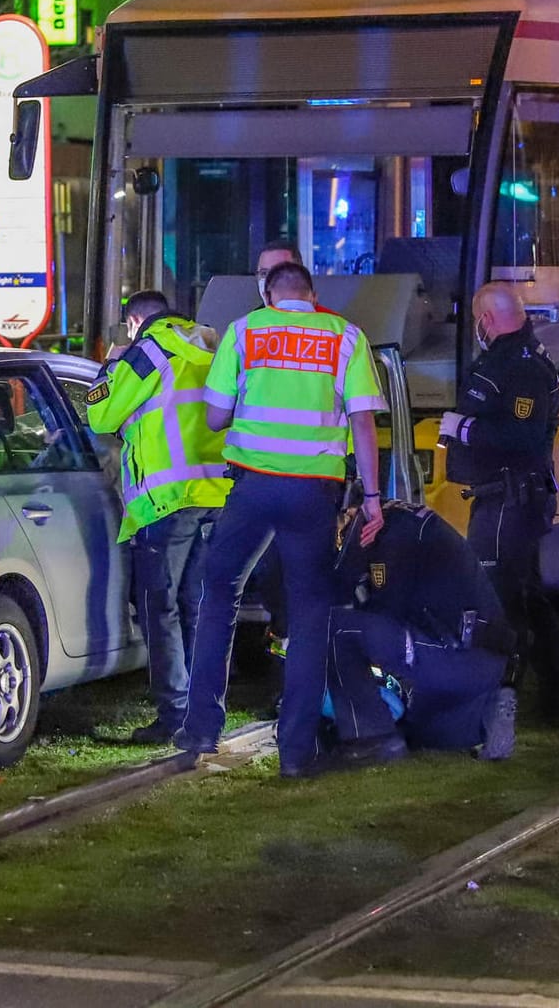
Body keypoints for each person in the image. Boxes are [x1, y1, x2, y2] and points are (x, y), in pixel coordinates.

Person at [176, 261, 387, 779]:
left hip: (253, 487)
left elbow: (215, 417)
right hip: (314, 492)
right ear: (311, 295)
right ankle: (296, 753)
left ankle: (202, 725)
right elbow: (363, 420)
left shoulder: (245, 330)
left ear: (269, 295)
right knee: (310, 609)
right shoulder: (345, 336)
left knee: (219, 589)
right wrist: (375, 496)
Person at [87, 290, 230, 744]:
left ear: (134, 322)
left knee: (158, 608)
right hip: (215, 492)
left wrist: (112, 363)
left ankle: (175, 714)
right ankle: (200, 712)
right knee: (197, 607)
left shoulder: (149, 350)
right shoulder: (210, 342)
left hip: (167, 500)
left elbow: (99, 414)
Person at [439, 282, 559, 723]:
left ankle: (498, 704)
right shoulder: (515, 359)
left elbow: (522, 436)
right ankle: (557, 702)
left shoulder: (520, 367)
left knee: (498, 603)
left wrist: (462, 430)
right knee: (527, 601)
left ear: (485, 319)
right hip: (508, 497)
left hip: (510, 500)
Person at [329, 502, 517, 760]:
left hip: (457, 652)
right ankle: (484, 717)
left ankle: (371, 738)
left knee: (337, 628)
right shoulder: (403, 522)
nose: (338, 541)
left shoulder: (393, 535)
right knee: (414, 733)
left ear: (351, 513)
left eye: (339, 533)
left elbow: (384, 615)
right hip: (474, 657)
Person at [248, 239, 304, 656]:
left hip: (311, 482)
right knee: (271, 576)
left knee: (296, 580)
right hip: (261, 479)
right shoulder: (247, 330)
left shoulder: (331, 330)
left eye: (277, 272)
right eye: (263, 273)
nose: (269, 282)